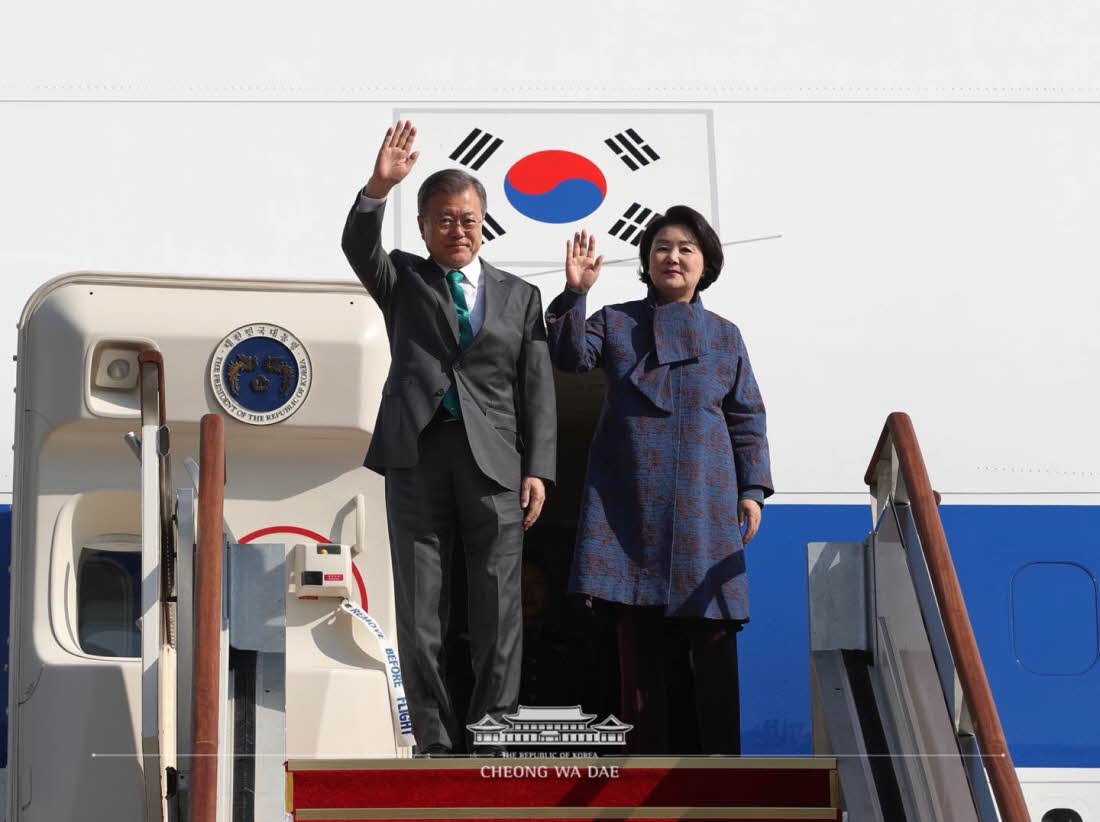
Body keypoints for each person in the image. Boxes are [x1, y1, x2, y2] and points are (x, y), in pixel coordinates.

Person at [341, 120, 557, 755]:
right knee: (421, 610)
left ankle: (496, 735)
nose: (457, 230)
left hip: (495, 467)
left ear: (484, 222)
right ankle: (433, 741)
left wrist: (537, 467)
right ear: (426, 226)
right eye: (442, 220)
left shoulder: (521, 296)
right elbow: (359, 247)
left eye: (467, 219)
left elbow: (537, 388)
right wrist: (379, 187)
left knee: (499, 610)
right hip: (416, 458)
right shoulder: (403, 280)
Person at [544, 207, 773, 754]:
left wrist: (751, 491)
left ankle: (720, 769)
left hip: (706, 500)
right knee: (638, 641)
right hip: (631, 502)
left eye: (686, 249)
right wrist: (574, 294)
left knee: (712, 633)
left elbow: (747, 417)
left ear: (705, 265)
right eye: (662, 248)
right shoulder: (615, 320)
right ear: (647, 262)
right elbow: (570, 355)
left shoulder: (725, 335)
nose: (673, 257)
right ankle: (646, 765)